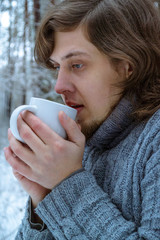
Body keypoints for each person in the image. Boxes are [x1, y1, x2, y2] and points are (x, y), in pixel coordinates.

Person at [4, 0, 160, 239]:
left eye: (77, 65)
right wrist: (44, 198)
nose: (59, 86)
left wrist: (66, 183)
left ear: (128, 65)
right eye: (57, 67)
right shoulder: (79, 143)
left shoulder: (154, 141)